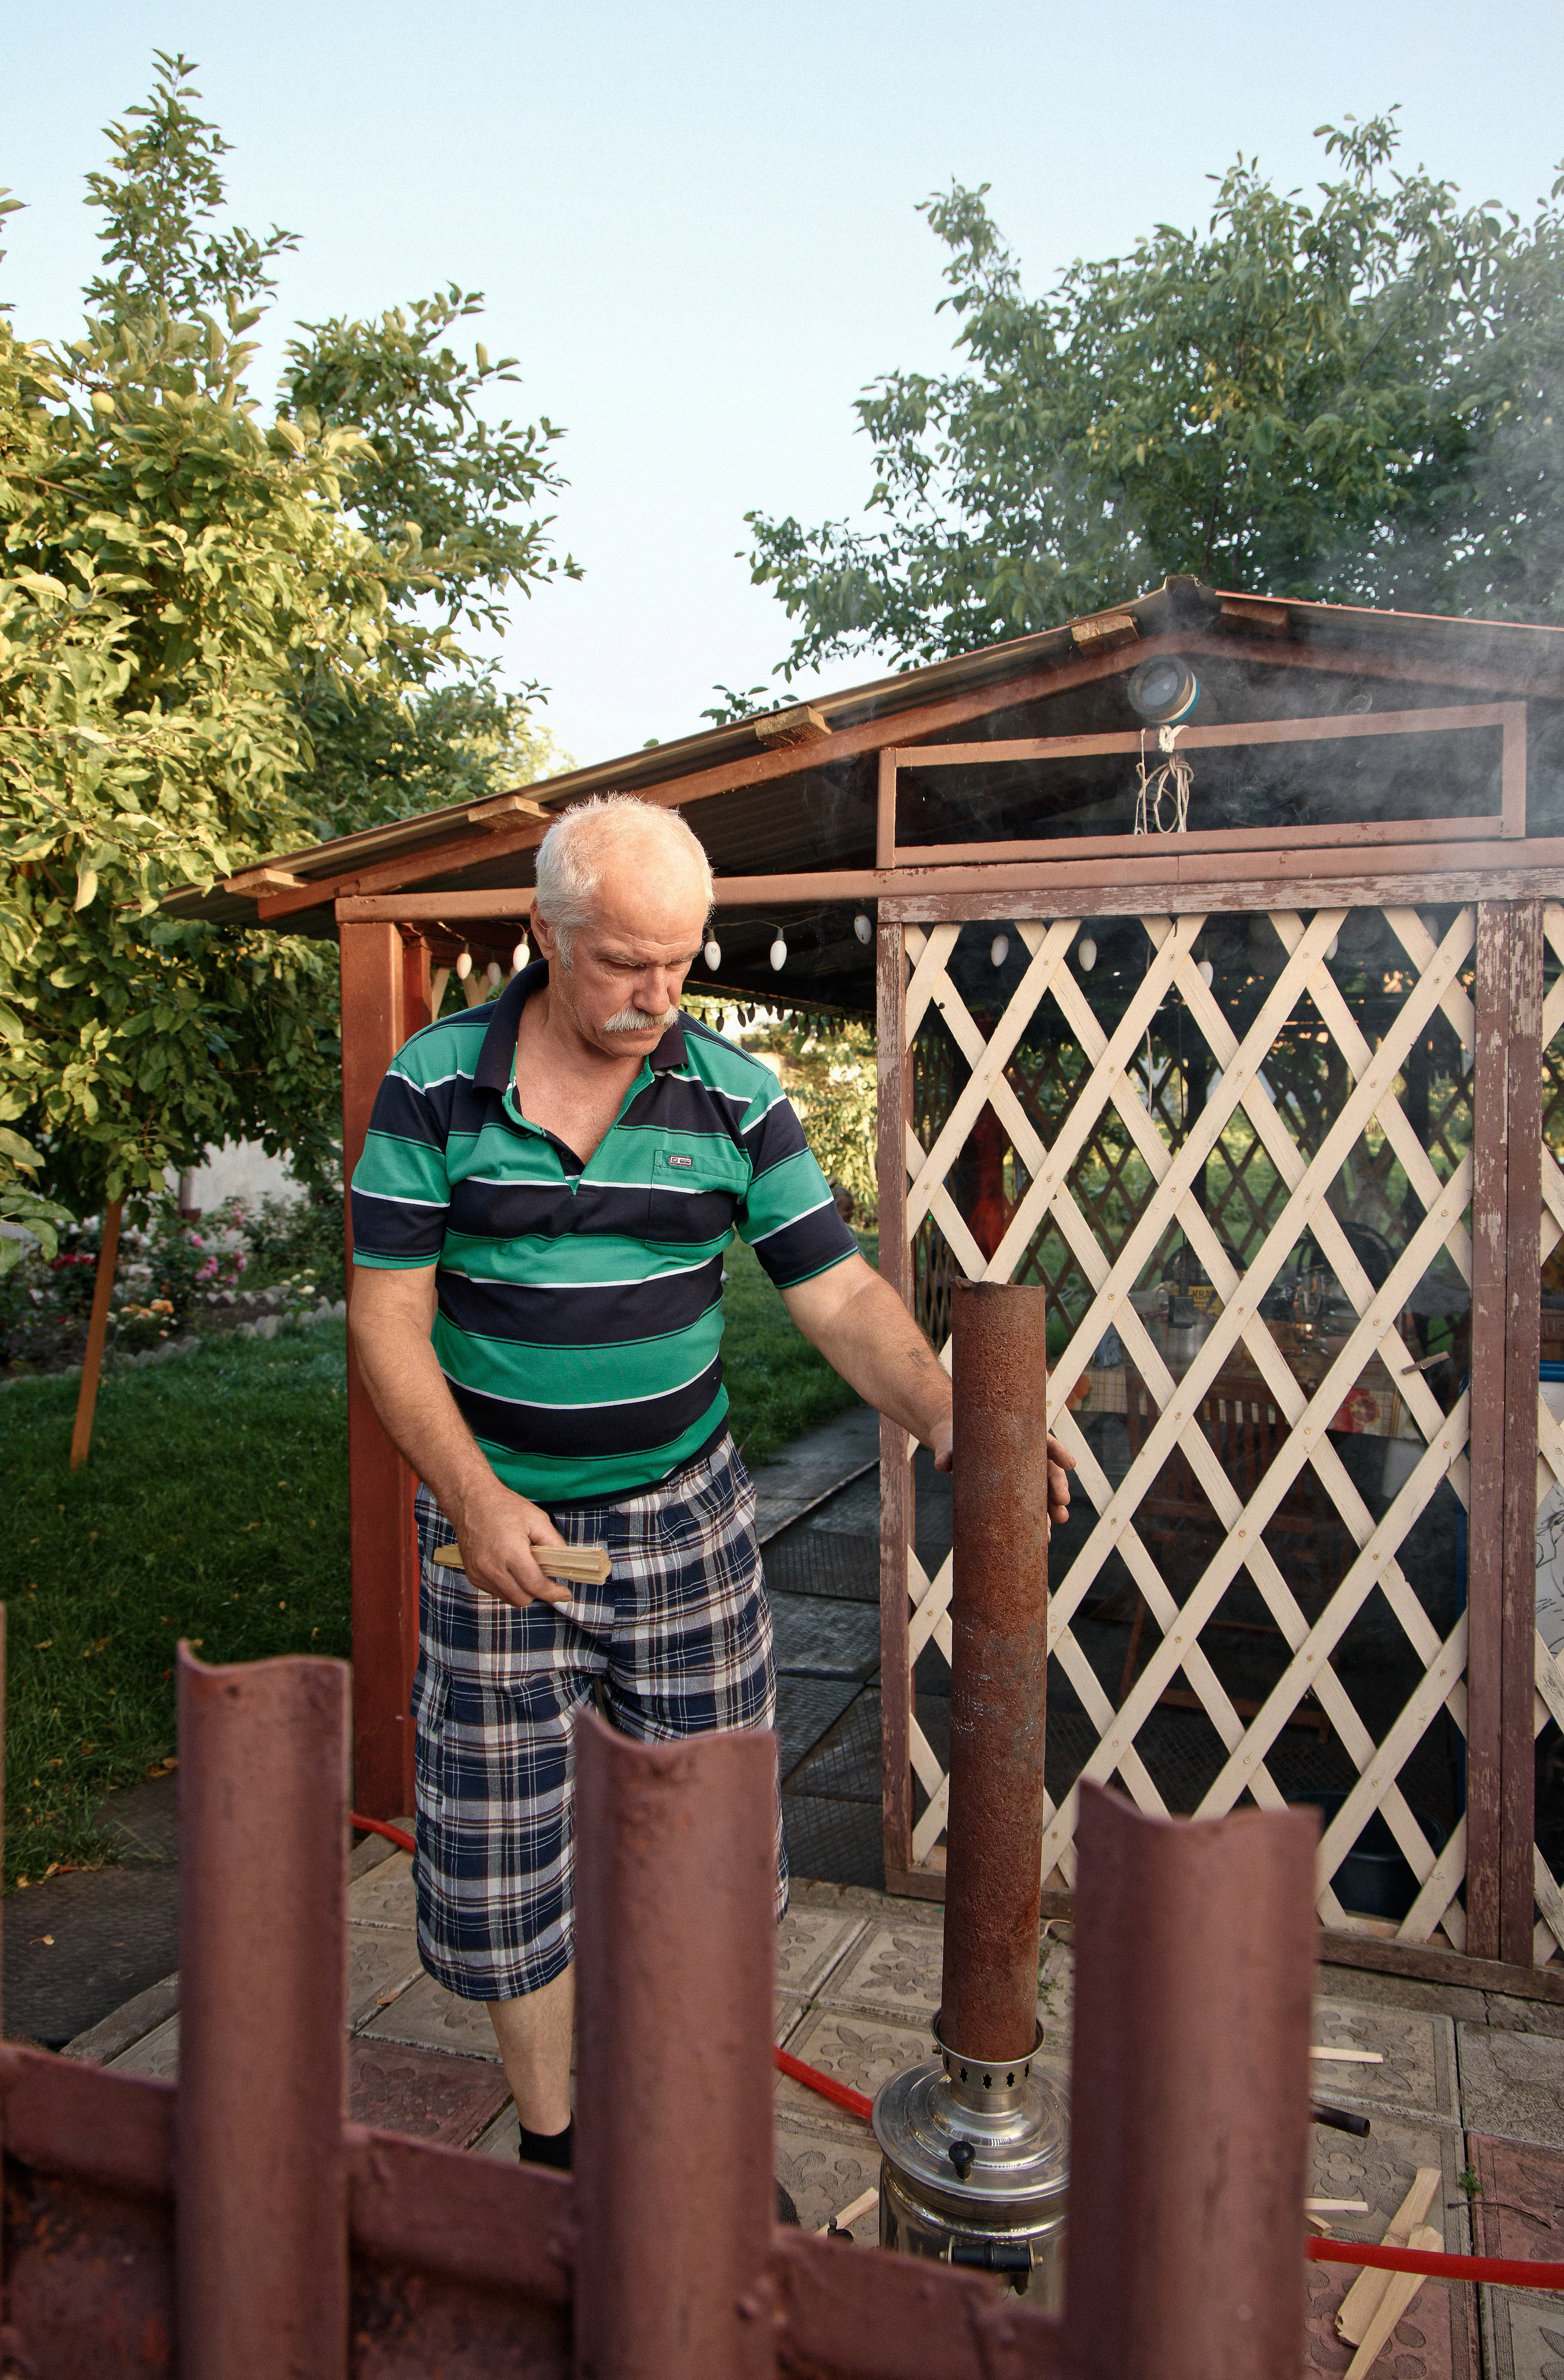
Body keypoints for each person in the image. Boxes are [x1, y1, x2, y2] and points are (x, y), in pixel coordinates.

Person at [348, 794, 1073, 2170]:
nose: (658, 993)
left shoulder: (732, 1097)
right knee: (507, 1871)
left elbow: (840, 1293)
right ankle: (559, 2156)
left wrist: (952, 1417)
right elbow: (384, 1318)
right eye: (625, 960)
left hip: (683, 1520)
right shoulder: (433, 1086)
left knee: (713, 1860)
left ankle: (701, 2152)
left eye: (678, 960)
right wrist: (474, 1494)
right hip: (497, 1531)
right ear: (543, 935)